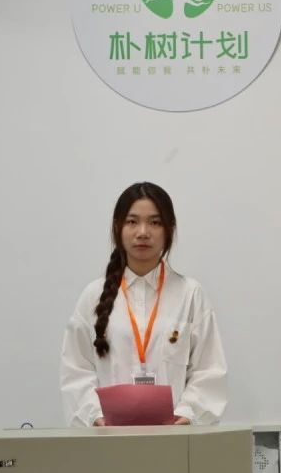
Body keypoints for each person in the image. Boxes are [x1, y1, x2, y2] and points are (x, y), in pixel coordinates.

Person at [60, 182, 226, 426]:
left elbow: (208, 370)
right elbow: (77, 371)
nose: (143, 232)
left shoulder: (190, 294)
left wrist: (187, 415)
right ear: (117, 228)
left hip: (173, 438)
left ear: (169, 229)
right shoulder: (93, 296)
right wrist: (95, 416)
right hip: (109, 438)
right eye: (132, 221)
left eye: (155, 222)